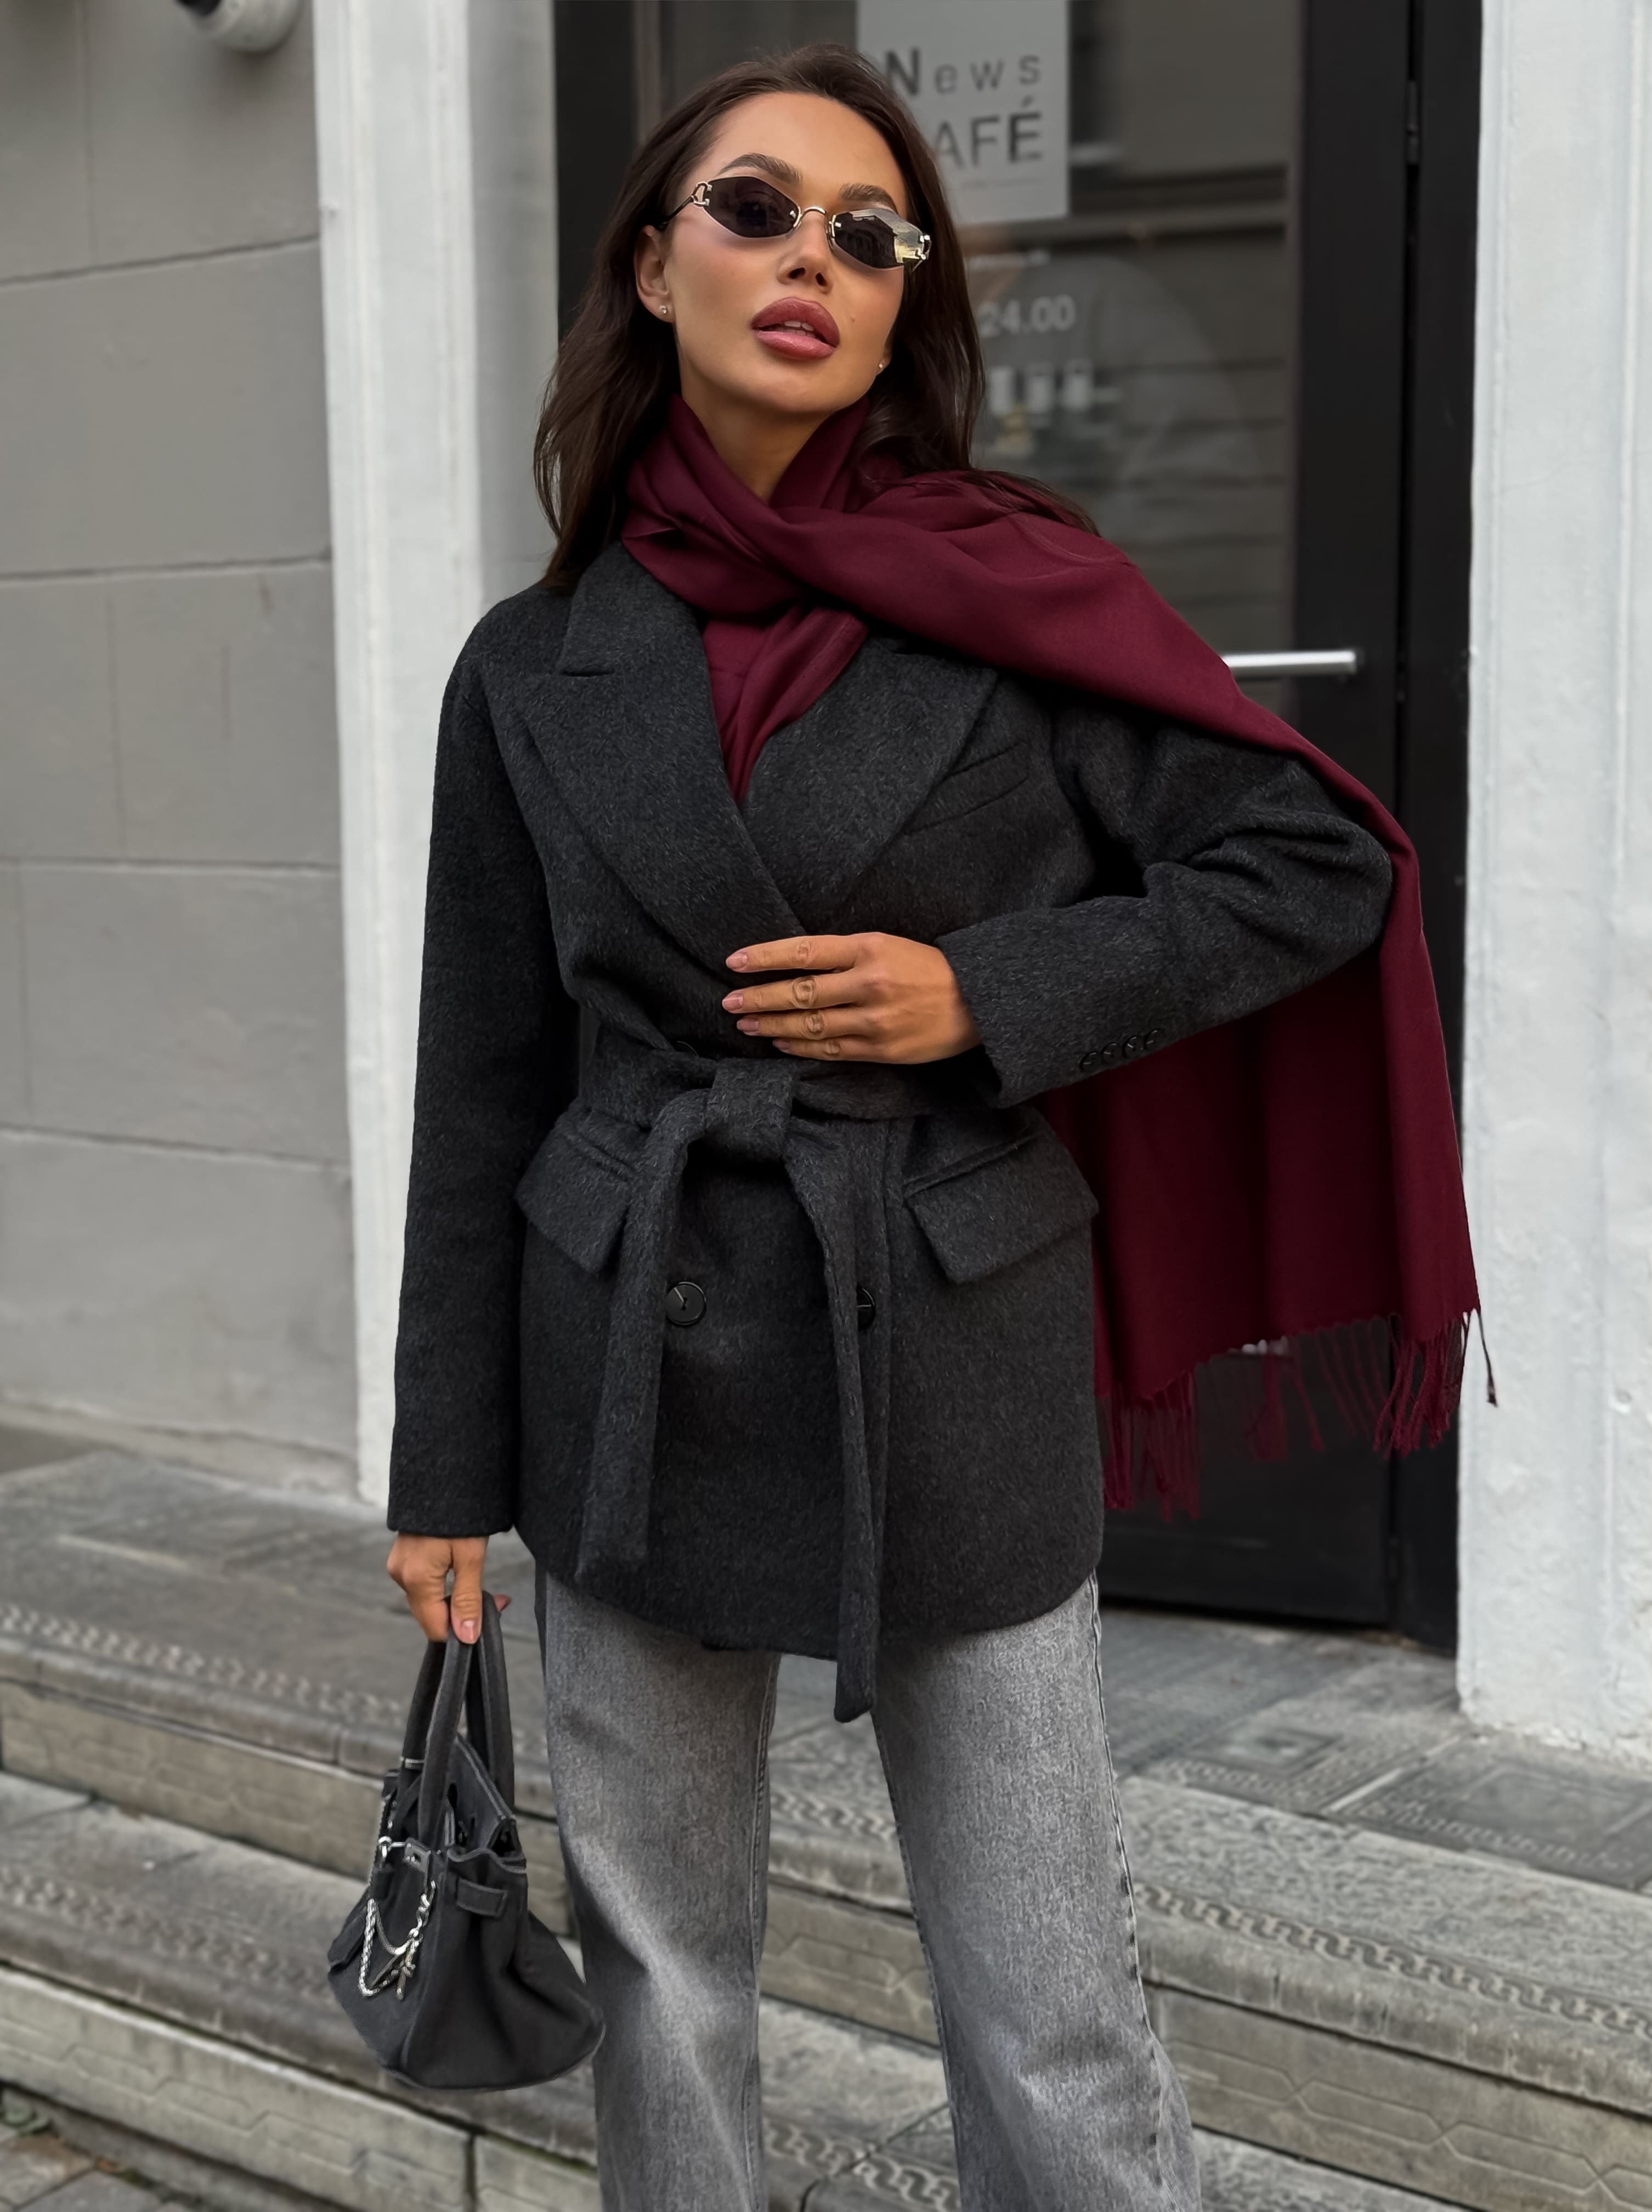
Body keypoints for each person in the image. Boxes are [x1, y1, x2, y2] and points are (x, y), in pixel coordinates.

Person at [382, 42, 1478, 2212]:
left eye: (869, 235)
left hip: (950, 1327)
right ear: (654, 265)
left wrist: (988, 995)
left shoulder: (1017, 596)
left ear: (903, 313)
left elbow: (1312, 866)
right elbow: (483, 1070)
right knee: (663, 1972)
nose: (814, 259)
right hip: (630, 1348)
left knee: (1049, 1995)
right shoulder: (529, 665)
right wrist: (443, 1471)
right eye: (758, 210)